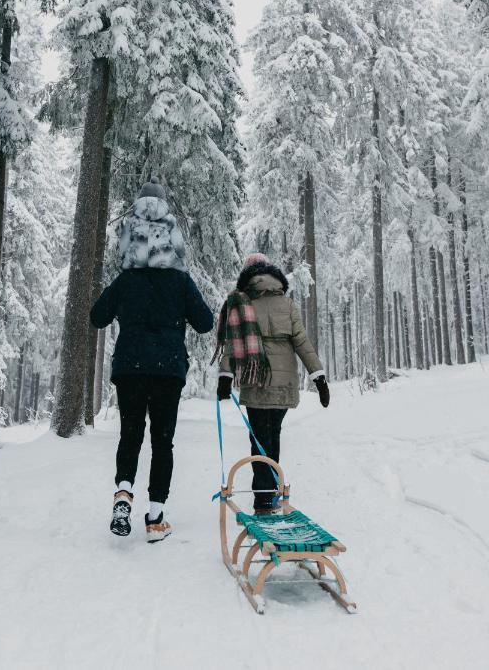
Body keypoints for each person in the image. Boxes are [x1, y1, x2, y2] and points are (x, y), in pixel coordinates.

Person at [90, 176, 214, 542]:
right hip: (167, 370)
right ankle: (156, 518)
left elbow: (97, 316)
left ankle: (123, 492)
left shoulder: (126, 280)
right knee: (163, 442)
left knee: (130, 434)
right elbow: (206, 323)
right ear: (169, 233)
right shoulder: (179, 280)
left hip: (130, 367)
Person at [214, 253, 330, 514]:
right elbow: (301, 341)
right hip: (283, 383)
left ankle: (264, 499)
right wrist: (318, 376)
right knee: (272, 435)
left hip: (256, 381)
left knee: (258, 440)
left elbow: (233, 345)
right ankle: (270, 493)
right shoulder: (286, 304)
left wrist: (225, 376)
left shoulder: (242, 304)